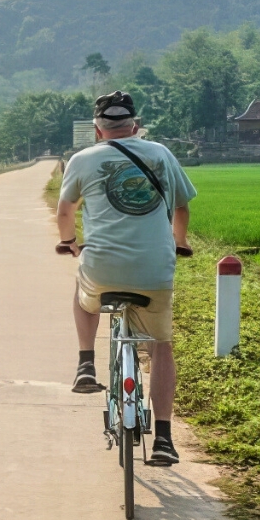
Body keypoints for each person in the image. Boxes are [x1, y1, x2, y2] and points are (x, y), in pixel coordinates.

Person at [54, 90, 197, 467]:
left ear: (97, 131)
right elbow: (181, 207)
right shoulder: (161, 153)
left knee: (82, 284)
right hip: (153, 270)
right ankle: (163, 437)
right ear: (135, 127)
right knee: (160, 346)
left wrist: (70, 243)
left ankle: (86, 362)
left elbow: (65, 211)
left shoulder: (82, 159)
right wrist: (179, 243)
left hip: (102, 268)